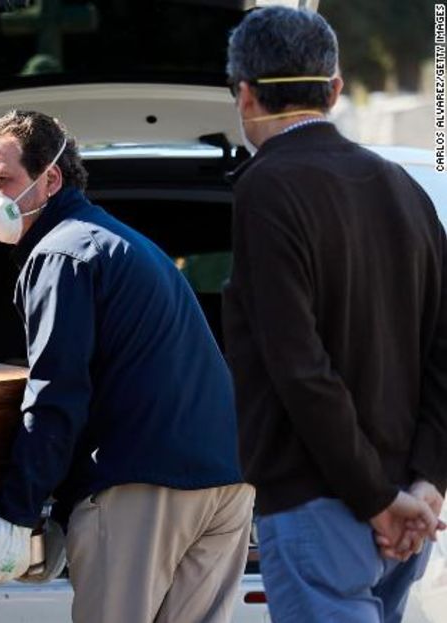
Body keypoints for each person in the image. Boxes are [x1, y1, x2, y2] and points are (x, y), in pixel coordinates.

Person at [0, 110, 252, 623]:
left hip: (144, 485)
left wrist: (16, 513)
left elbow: (56, 394)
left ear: (51, 179)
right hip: (228, 481)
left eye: (2, 181)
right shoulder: (111, 242)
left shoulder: (61, 255)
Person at [222, 7, 446, 622]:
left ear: (244, 95)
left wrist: (375, 498)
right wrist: (425, 484)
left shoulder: (266, 187)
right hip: (404, 515)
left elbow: (299, 366)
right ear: (336, 89)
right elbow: (441, 354)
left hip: (326, 506)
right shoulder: (404, 188)